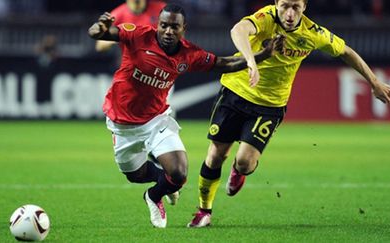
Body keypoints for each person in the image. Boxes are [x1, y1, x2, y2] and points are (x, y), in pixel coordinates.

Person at [188, 0, 390, 228]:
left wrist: (374, 82)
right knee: (216, 154)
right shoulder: (266, 18)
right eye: (285, 5)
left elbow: (346, 51)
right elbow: (238, 30)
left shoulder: (313, 33)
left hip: (270, 105)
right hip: (236, 92)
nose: (289, 13)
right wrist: (250, 61)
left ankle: (239, 171)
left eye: (296, 7)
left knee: (245, 162)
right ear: (276, 3)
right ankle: (203, 211)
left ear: (304, 7)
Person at [88, 4, 285, 228]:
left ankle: (153, 196)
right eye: (163, 25)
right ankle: (162, 179)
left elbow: (225, 63)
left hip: (156, 120)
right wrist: (99, 27)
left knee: (179, 173)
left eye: (174, 26)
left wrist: (262, 55)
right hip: (121, 123)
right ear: (157, 25)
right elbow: (99, 34)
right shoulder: (138, 35)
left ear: (183, 29)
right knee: (136, 175)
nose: (168, 31)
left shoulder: (189, 54)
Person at [95, 0, 166, 52]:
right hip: (133, 66)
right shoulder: (116, 15)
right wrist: (112, 39)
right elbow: (100, 46)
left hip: (161, 63)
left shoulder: (162, 9)